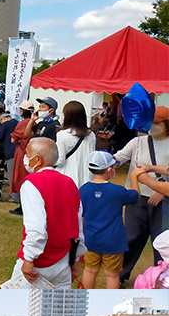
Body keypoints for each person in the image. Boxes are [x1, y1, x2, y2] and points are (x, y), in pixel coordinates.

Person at [8, 138, 84, 288]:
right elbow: (78, 227)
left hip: (40, 262)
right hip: (63, 261)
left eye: (27, 153)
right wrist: (75, 260)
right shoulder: (70, 183)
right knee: (58, 309)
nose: (25, 157)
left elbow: (36, 229)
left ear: (37, 159)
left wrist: (29, 259)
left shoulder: (32, 183)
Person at [114, 108, 169, 283]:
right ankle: (121, 276)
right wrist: (107, 162)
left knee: (160, 241)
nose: (152, 125)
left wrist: (161, 193)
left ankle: (160, 278)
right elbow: (119, 157)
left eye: (157, 122)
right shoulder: (138, 142)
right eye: (150, 121)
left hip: (162, 200)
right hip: (136, 198)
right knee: (131, 237)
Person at [79, 151, 140, 288]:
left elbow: (81, 216)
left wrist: (81, 236)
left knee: (90, 270)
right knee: (112, 274)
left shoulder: (83, 190)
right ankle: (111, 304)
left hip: (91, 239)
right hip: (113, 241)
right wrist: (134, 176)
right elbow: (136, 195)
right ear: (108, 170)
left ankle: (86, 301)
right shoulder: (117, 191)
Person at [55, 101, 97, 188]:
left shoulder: (62, 134)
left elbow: (60, 160)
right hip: (87, 175)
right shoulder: (91, 134)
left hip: (67, 174)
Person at [8, 100, 35, 211]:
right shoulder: (34, 122)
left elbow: (13, 139)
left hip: (22, 152)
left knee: (20, 177)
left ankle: (22, 206)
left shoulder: (23, 123)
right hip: (32, 152)